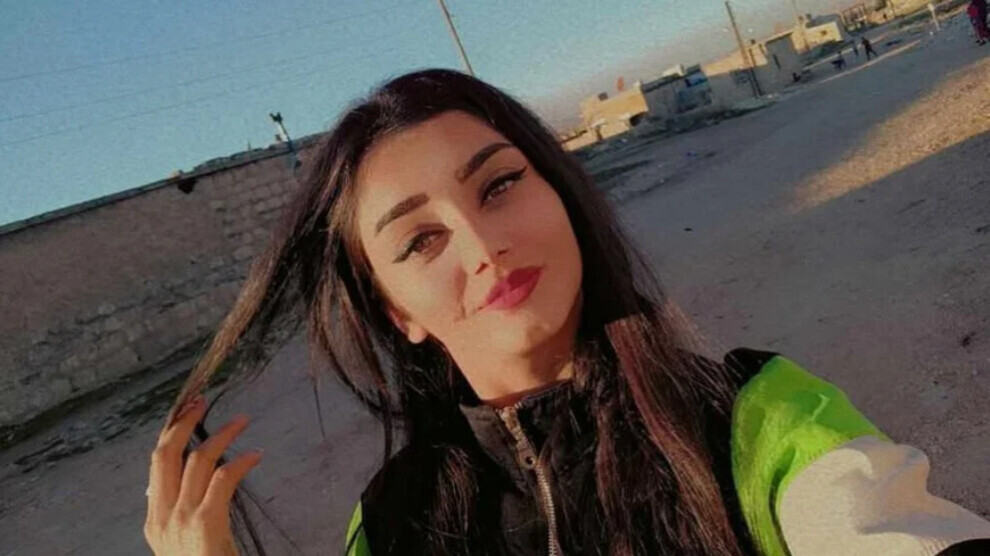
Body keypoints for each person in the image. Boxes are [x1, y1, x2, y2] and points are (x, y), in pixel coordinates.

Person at [143, 69, 990, 555]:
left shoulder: (756, 420)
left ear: (560, 192)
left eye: (499, 185)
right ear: (397, 313)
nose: (483, 244)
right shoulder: (395, 522)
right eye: (421, 240)